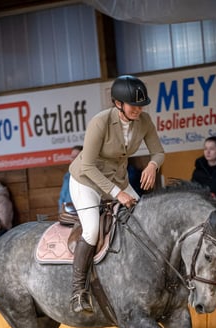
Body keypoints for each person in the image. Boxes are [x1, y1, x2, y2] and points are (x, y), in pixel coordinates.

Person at [68, 74, 165, 314]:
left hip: (118, 180)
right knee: (91, 230)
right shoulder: (100, 122)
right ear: (118, 103)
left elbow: (159, 152)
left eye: (142, 105)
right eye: (134, 105)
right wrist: (117, 194)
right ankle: (78, 291)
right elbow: (88, 166)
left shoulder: (144, 121)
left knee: (143, 223)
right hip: (86, 182)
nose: (139, 109)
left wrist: (153, 165)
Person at [191, 135, 216, 199]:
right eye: (205, 149)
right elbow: (192, 191)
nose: (207, 152)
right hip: (203, 205)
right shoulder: (198, 171)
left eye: (211, 149)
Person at [58, 145, 83, 213]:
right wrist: (61, 209)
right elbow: (62, 196)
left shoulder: (87, 174)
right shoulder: (67, 175)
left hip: (82, 212)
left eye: (76, 157)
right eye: (72, 157)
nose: (73, 159)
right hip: (68, 212)